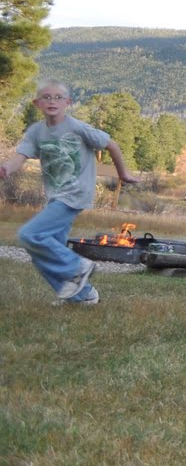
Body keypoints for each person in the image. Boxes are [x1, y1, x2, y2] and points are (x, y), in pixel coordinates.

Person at [0, 79, 139, 305]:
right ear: (37, 103)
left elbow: (111, 144)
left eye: (58, 97)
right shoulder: (36, 132)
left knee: (29, 235)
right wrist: (6, 168)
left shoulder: (77, 127)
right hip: (55, 197)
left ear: (68, 102)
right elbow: (20, 157)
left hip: (75, 194)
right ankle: (82, 296)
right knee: (42, 253)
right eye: (46, 97)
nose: (52, 101)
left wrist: (122, 173)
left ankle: (78, 266)